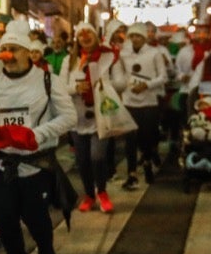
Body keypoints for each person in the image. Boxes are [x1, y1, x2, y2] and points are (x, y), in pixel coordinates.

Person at [0, 23, 76, 254]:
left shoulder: (47, 80)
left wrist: (38, 134)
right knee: (6, 218)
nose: (7, 54)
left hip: (35, 164)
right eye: (4, 49)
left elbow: (69, 116)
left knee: (35, 216)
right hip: (2, 164)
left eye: (14, 49)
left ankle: (45, 246)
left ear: (29, 53)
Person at [59, 21, 120, 213]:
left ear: (95, 36)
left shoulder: (108, 57)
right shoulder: (69, 61)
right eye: (81, 35)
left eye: (89, 34)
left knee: (97, 157)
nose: (85, 38)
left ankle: (102, 191)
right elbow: (60, 88)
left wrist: (105, 85)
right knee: (83, 160)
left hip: (101, 116)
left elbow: (122, 83)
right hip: (77, 118)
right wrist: (75, 88)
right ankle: (89, 194)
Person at [116, 25, 170, 188]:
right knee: (130, 139)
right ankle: (131, 173)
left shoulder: (155, 53)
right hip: (129, 100)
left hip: (149, 101)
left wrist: (147, 85)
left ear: (144, 38)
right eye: (132, 36)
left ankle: (147, 161)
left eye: (138, 36)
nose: (135, 39)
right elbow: (120, 75)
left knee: (146, 137)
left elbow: (163, 77)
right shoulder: (123, 54)